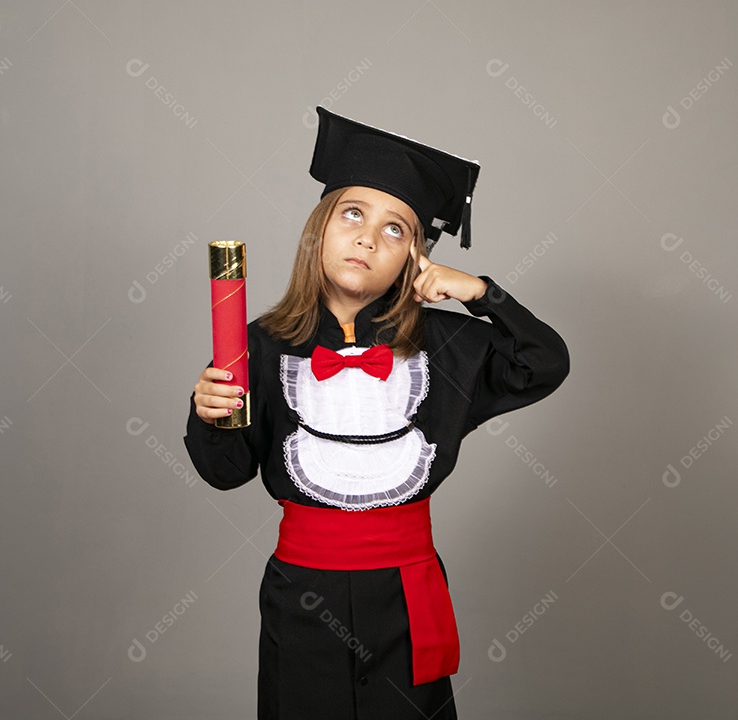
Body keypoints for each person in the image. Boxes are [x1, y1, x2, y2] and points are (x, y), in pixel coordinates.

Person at [183, 106, 569, 720]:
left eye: (396, 230)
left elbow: (543, 363)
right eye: (354, 214)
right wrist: (208, 414)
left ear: (416, 256)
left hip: (406, 599)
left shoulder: (446, 347)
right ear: (320, 228)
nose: (367, 237)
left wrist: (480, 292)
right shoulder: (260, 344)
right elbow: (225, 470)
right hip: (302, 598)